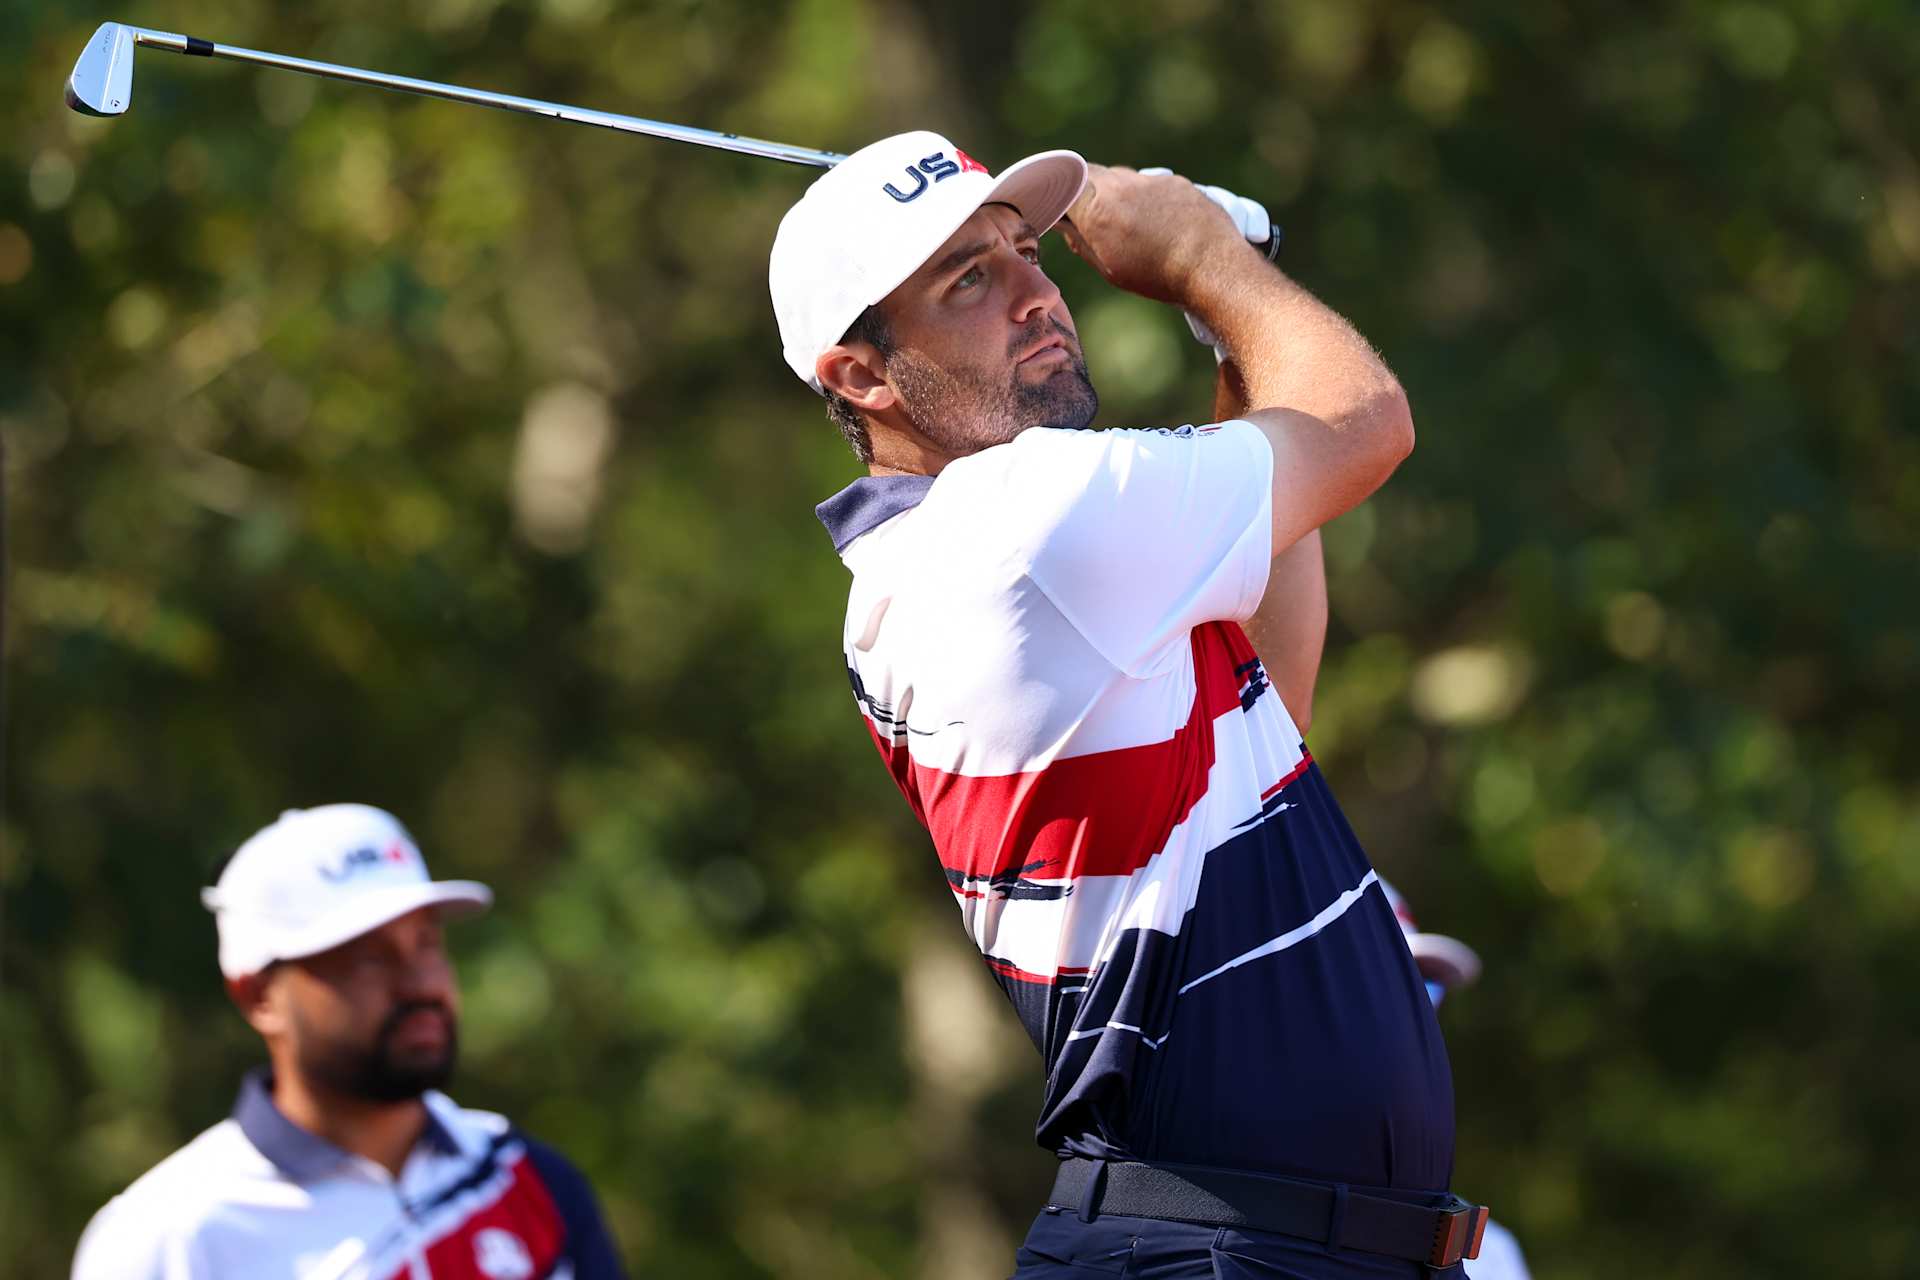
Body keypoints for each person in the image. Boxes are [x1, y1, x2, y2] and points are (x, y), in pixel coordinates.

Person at [770, 131, 1490, 1276]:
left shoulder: (988, 555)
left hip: (1239, 1240)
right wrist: (1206, 259)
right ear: (859, 374)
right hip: (1216, 1243)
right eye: (969, 278)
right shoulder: (1019, 516)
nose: (1035, 292)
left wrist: (1228, 312)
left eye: (1022, 250)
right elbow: (1364, 424)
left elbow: (1272, 689)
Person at [71, 804, 626, 1280]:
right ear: (258, 995)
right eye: (366, 957)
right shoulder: (167, 1240)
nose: (420, 983)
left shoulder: (525, 1177)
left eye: (427, 943)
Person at [1379, 883, 1534, 1280]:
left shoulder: (1485, 1255)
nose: (1417, 1011)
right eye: (1386, 981)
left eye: (1424, 985)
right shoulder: (1212, 1228)